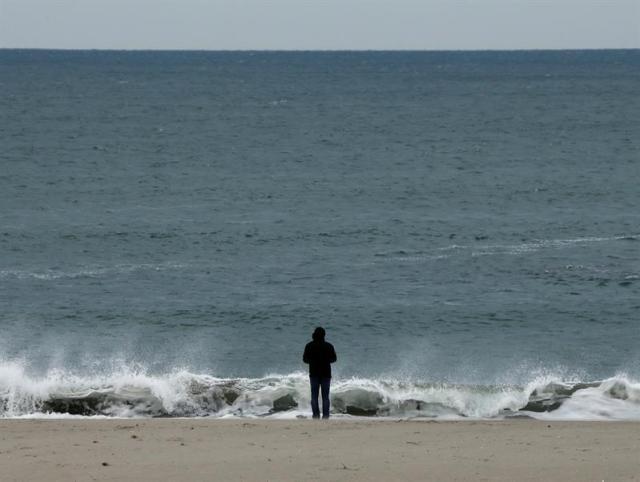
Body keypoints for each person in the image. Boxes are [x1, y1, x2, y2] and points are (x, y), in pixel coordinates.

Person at [302, 327, 337, 419]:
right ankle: (326, 415)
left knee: (314, 396)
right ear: (324, 335)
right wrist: (326, 360)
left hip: (314, 373)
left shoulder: (309, 345)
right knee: (325, 396)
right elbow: (334, 359)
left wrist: (312, 361)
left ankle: (316, 415)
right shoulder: (329, 346)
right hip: (326, 373)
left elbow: (305, 360)